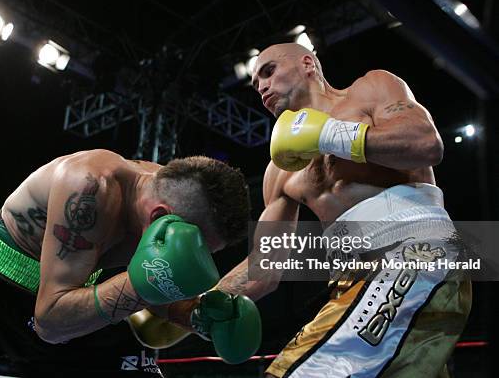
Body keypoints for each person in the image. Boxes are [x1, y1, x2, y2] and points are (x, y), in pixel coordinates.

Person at [161, 43, 471, 377]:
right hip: (352, 281)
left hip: (414, 251)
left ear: (308, 64)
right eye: (255, 84)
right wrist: (194, 306)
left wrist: (328, 134)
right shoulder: (279, 171)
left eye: (269, 71)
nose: (262, 86)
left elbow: (426, 144)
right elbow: (266, 266)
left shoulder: (370, 90)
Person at [0, 149, 260, 377]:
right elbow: (49, 322)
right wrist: (140, 285)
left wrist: (194, 316)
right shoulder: (90, 188)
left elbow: (156, 287)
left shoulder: (167, 198)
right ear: (159, 215)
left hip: (76, 297)